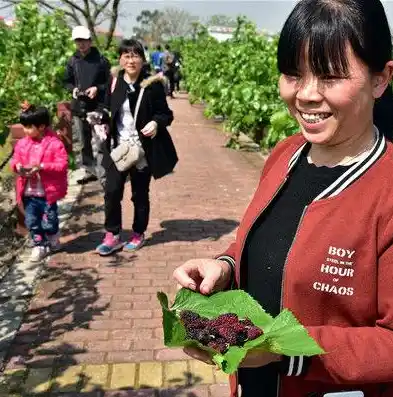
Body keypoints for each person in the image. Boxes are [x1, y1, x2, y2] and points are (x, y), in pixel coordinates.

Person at [173, 0, 393, 396]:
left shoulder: (387, 190)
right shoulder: (285, 154)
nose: (307, 94)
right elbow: (266, 245)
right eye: (293, 74)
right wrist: (224, 267)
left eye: (330, 77)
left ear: (380, 79)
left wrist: (283, 351)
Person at [96, 39, 178, 256]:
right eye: (126, 55)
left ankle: (138, 232)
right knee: (112, 191)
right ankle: (112, 234)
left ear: (143, 59)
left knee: (139, 194)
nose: (130, 60)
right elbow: (106, 108)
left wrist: (156, 123)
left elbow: (165, 114)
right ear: (120, 59)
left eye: (135, 56)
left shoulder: (152, 86)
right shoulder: (114, 82)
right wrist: (101, 119)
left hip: (141, 151)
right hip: (118, 148)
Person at [11, 103, 68, 263]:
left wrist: (42, 167)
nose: (25, 131)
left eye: (29, 127)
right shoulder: (23, 143)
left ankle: (52, 238)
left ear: (42, 126)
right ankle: (39, 244)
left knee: (50, 219)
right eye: (24, 127)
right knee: (32, 220)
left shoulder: (54, 143)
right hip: (29, 192)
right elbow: (15, 159)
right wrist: (18, 166)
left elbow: (62, 164)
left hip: (47, 192)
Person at [64, 25, 111, 186]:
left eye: (84, 41)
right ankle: (90, 171)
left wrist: (97, 88)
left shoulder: (101, 60)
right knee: (84, 143)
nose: (81, 44)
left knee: (100, 141)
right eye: (78, 41)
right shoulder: (72, 61)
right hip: (79, 107)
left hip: (97, 107)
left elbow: (110, 83)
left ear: (90, 41)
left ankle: (104, 173)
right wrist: (74, 90)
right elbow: (67, 82)